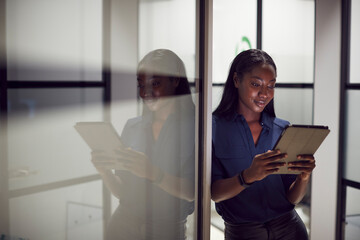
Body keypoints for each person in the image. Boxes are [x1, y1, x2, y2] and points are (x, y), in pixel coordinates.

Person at [92, 49, 195, 240]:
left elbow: (193, 192)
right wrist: (104, 171)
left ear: (175, 81)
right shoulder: (132, 126)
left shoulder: (197, 128)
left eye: (155, 83)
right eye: (140, 84)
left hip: (165, 229)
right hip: (122, 224)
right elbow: (122, 192)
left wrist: (153, 173)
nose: (145, 92)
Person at [211, 49, 314, 240]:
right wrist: (248, 176)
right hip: (244, 233)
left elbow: (292, 198)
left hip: (291, 229)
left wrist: (303, 178)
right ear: (236, 80)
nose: (264, 94)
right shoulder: (212, 129)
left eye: (271, 85)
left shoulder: (282, 129)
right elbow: (214, 193)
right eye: (256, 84)